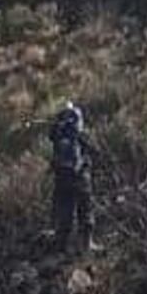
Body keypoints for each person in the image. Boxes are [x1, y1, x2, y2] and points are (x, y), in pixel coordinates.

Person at [48, 101, 101, 253]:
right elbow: (94, 149)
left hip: (62, 176)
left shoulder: (57, 131)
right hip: (80, 176)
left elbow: (51, 138)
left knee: (65, 210)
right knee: (85, 208)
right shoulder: (77, 132)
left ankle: (62, 245)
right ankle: (87, 244)